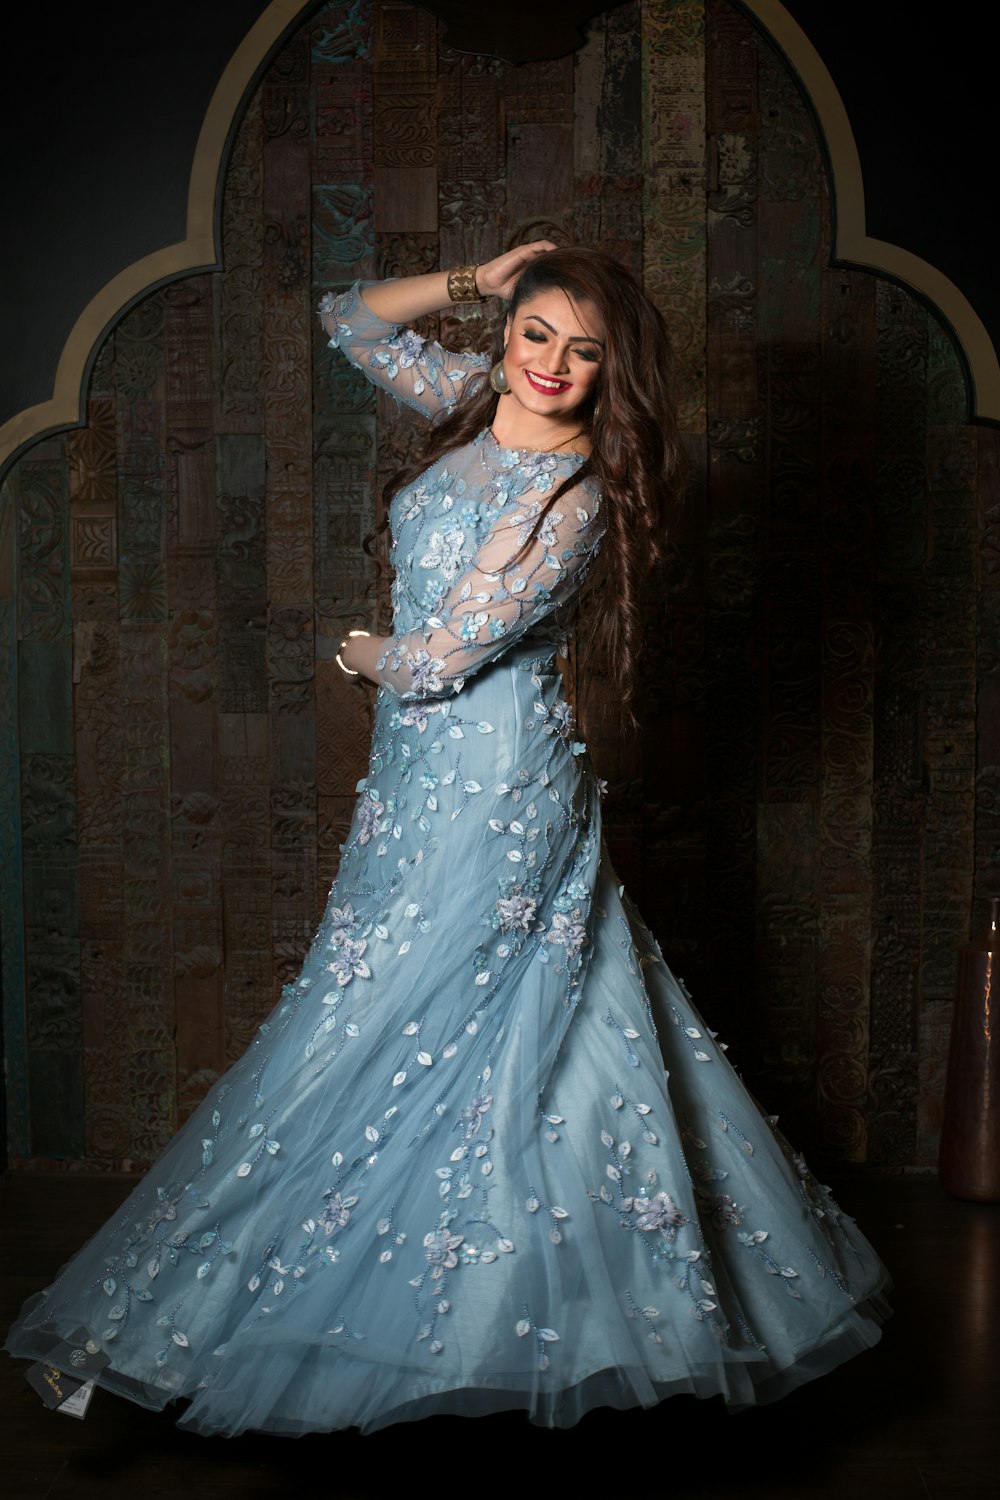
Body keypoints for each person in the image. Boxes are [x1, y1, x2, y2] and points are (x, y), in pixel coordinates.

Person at [5, 245, 890, 1436]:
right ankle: (298, 1310)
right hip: (419, 782)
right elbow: (348, 320)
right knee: (417, 1016)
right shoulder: (478, 398)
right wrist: (477, 278)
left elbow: (437, 660)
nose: (552, 367)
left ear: (611, 371)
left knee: (402, 1025)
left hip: (494, 784)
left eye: (584, 352)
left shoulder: (571, 496)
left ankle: (284, 1321)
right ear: (511, 331)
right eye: (536, 335)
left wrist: (358, 651)